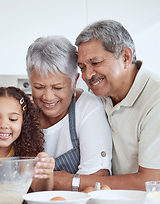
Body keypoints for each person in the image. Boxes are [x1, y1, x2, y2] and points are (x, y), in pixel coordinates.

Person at [71, 19, 160, 191]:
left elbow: (149, 183)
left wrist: (70, 181)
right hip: (117, 202)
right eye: (82, 67)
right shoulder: (98, 94)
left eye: (95, 63)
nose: (88, 75)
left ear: (126, 57)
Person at [26, 35, 112, 191]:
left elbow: (97, 178)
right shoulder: (24, 112)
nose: (48, 97)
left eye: (57, 88)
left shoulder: (87, 107)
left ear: (74, 81)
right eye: (38, 87)